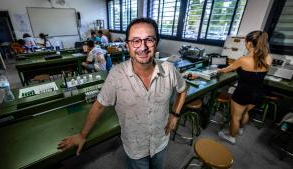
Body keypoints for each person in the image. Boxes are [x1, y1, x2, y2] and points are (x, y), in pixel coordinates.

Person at [57, 17, 187, 169]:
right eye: (136, 41)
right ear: (128, 45)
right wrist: (82, 135)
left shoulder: (169, 70)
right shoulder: (116, 75)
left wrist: (175, 114)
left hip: (161, 141)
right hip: (135, 149)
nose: (143, 47)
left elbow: (183, 90)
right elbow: (99, 106)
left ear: (156, 43)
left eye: (149, 40)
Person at [217, 31, 272, 144]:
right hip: (258, 93)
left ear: (250, 43)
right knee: (245, 112)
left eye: (246, 42)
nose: (245, 45)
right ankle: (240, 129)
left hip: (243, 93)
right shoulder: (269, 58)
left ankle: (231, 137)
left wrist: (217, 70)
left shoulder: (243, 59)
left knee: (235, 117)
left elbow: (225, 70)